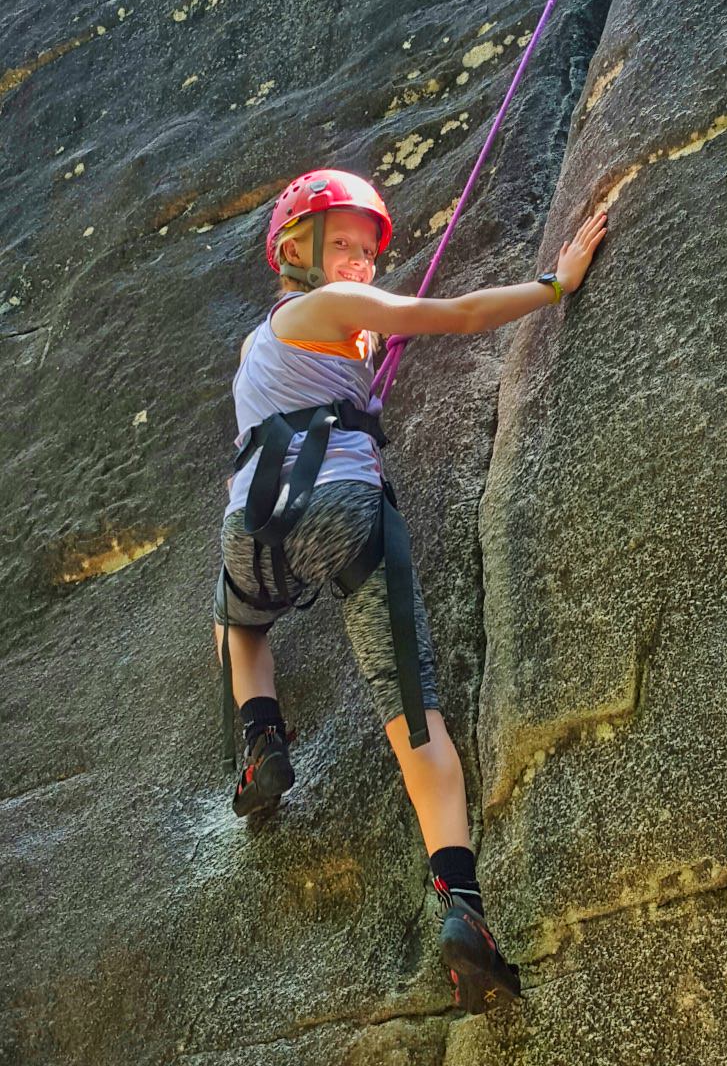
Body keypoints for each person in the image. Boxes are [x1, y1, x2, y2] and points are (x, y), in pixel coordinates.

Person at [213, 168, 607, 1014]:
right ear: (295, 250)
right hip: (347, 513)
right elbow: (457, 316)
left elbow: (309, 384)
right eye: (343, 245)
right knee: (413, 715)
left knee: (237, 622)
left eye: (367, 249)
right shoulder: (332, 307)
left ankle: (261, 739)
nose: (360, 261)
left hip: (251, 523)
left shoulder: (259, 344)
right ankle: (462, 909)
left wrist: (358, 365)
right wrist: (555, 284)